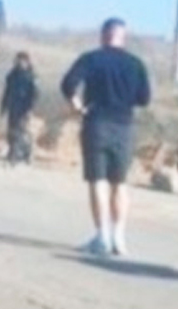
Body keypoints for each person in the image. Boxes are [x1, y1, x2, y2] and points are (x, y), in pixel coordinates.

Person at [60, 17, 151, 257]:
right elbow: (144, 99)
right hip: (124, 126)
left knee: (98, 180)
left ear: (103, 36)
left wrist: (77, 105)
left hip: (97, 123)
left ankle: (102, 236)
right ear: (123, 37)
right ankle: (119, 237)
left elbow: (68, 83)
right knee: (119, 183)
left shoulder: (92, 59)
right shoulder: (136, 64)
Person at [0, 52, 39, 165]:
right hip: (13, 107)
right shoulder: (11, 75)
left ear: (27, 62)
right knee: (11, 131)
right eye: (17, 60)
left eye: (22, 61)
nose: (19, 63)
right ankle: (13, 152)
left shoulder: (31, 77)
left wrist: (30, 109)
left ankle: (25, 154)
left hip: (24, 108)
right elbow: (7, 92)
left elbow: (35, 95)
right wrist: (3, 106)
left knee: (21, 132)